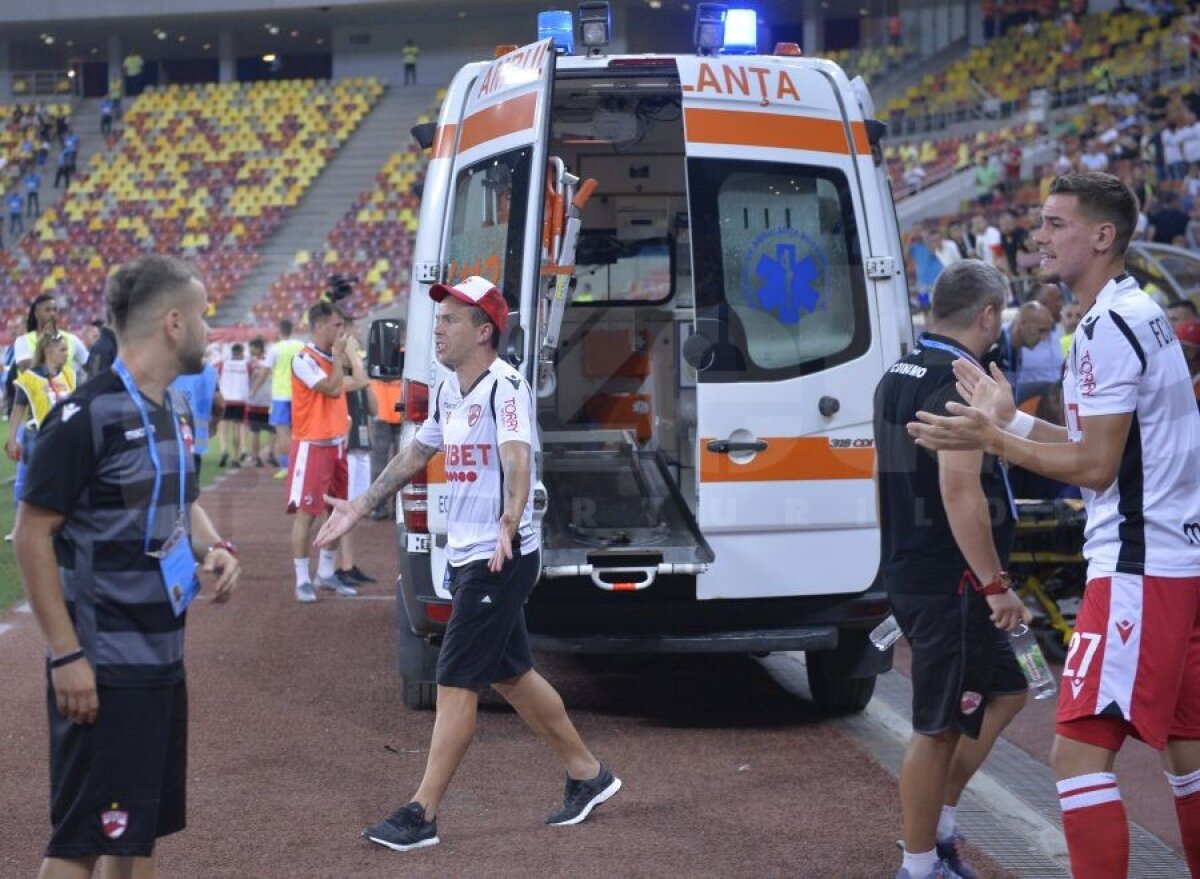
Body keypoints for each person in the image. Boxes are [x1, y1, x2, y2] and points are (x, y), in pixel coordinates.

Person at [908, 172, 1200, 879]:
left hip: (1136, 565)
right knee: (1188, 756)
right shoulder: (1137, 310)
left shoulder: (1104, 325)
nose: (1037, 238)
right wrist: (1011, 418)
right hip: (1173, 559)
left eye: (1053, 224)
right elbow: (1100, 440)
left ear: (1101, 237)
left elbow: (1096, 466)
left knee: (1076, 752)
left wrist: (989, 439)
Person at [314, 276, 621, 851]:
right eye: (438, 320)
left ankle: (421, 813)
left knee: (455, 679)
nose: (437, 329)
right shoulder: (450, 387)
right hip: (470, 554)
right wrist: (360, 505)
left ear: (483, 332)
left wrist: (511, 514)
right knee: (511, 675)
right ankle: (588, 774)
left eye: (450, 320)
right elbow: (418, 451)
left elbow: (517, 452)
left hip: (499, 557)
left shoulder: (505, 387)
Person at [13, 253, 240, 879]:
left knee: (132, 839)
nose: (207, 330)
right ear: (172, 322)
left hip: (161, 661)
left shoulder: (173, 409)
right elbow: (29, 536)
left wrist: (215, 548)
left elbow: (178, 502)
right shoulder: (83, 417)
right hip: (101, 669)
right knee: (79, 845)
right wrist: (66, 655)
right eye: (201, 316)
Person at [874, 260, 1030, 879]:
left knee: (1012, 690)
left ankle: (934, 827)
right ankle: (918, 865)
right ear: (988, 315)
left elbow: (889, 477)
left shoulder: (898, 370)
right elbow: (960, 493)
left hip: (923, 570)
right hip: (954, 581)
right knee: (936, 727)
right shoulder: (958, 382)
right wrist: (995, 585)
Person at [287, 301, 369, 602]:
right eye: (337, 326)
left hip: (336, 445)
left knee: (338, 511)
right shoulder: (303, 359)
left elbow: (360, 381)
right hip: (312, 446)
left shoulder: (328, 358)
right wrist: (338, 357)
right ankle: (301, 579)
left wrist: (350, 356)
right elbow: (333, 388)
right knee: (307, 513)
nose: (342, 331)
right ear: (320, 326)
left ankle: (325, 573)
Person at [6, 332, 76, 468]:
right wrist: (12, 440)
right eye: (62, 350)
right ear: (48, 351)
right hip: (36, 437)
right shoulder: (30, 377)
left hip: (62, 436)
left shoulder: (69, 375)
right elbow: (18, 409)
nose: (67, 353)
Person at [263, 318, 304, 480]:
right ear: (292, 330)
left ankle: (285, 467)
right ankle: (299, 466)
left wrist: (254, 388)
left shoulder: (275, 349)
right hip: (299, 395)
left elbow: (265, 371)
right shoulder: (301, 346)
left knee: (282, 433)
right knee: (299, 432)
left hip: (280, 395)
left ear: (279, 331)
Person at [170, 356, 221, 477]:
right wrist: (214, 423)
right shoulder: (208, 370)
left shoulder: (167, 366)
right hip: (199, 427)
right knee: (193, 475)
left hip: (172, 424)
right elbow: (219, 402)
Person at [984, 300, 1054, 386]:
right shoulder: (994, 346)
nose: (1044, 339)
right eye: (1041, 330)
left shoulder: (1017, 349)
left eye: (1047, 332)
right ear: (1023, 322)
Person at [216, 342, 248, 467]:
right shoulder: (246, 365)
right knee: (237, 428)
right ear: (241, 353)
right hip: (239, 400)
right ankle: (235, 457)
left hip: (226, 398)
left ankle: (224, 449)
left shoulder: (223, 364)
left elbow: (216, 375)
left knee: (223, 427)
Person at [243, 337, 273, 467]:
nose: (250, 349)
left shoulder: (250, 362)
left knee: (257, 430)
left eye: (252, 347)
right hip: (266, 400)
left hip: (258, 400)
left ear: (258, 348)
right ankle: (265, 455)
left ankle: (258, 457)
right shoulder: (268, 360)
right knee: (270, 430)